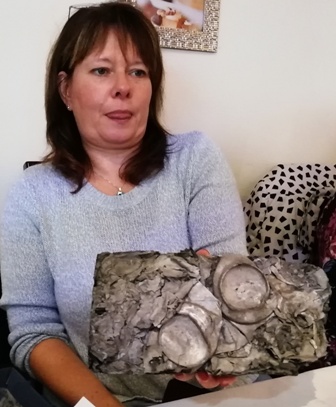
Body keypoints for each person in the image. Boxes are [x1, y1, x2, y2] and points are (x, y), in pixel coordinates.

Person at [0, 2, 251, 407]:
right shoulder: (33, 195)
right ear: (66, 90)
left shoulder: (195, 160)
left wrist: (218, 335)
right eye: (101, 70)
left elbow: (233, 292)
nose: (123, 86)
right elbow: (34, 333)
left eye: (138, 71)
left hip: (210, 396)